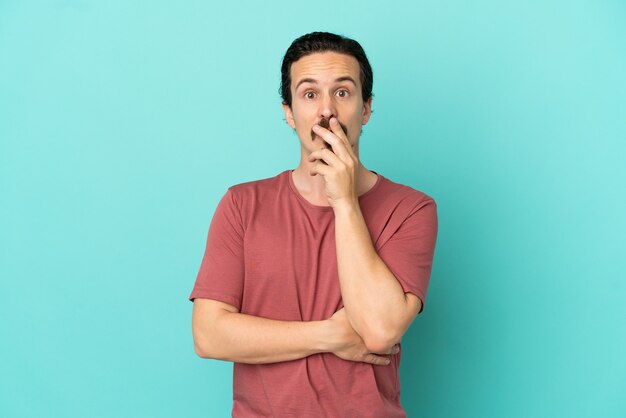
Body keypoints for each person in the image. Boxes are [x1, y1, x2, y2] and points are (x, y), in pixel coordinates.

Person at [189, 31, 438, 417]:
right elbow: (208, 335)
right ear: (289, 113)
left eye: (342, 92)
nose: (327, 111)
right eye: (309, 94)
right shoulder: (241, 204)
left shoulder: (411, 209)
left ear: (366, 108)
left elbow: (379, 331)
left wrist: (343, 200)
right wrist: (329, 335)